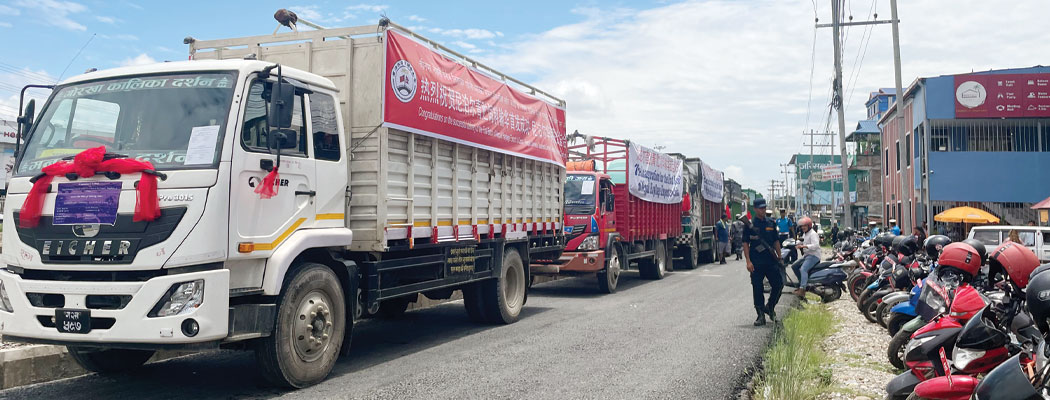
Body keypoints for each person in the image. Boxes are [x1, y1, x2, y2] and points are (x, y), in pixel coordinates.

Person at [743, 198, 782, 326]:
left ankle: (770, 307)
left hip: (771, 261)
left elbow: (776, 241)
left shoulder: (771, 223)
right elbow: (745, 244)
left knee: (778, 284)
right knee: (757, 287)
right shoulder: (749, 225)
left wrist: (779, 257)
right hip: (756, 261)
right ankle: (760, 315)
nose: (763, 210)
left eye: (764, 208)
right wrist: (748, 261)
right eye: (760, 208)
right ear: (754, 209)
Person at [792, 216, 821, 296]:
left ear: (809, 226)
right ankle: (801, 284)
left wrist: (804, 246)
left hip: (814, 256)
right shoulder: (805, 234)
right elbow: (801, 241)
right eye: (802, 226)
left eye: (805, 226)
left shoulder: (813, 234)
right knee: (794, 266)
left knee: (803, 269)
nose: (803, 227)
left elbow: (816, 245)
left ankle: (802, 290)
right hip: (807, 256)